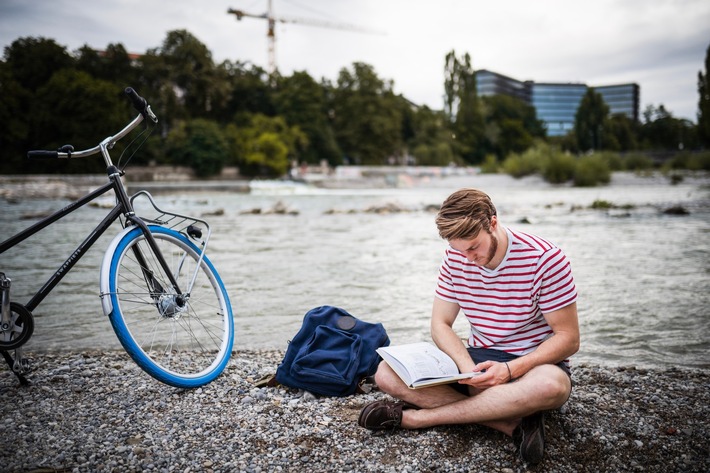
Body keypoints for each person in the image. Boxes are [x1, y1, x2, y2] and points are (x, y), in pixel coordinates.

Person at [358, 188, 580, 465]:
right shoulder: (456, 258)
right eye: (458, 249)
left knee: (551, 387)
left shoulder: (545, 259)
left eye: (474, 247)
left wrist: (510, 370)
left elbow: (568, 338)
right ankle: (513, 424)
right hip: (477, 360)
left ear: (493, 223)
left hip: (532, 364)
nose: (468, 258)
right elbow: (440, 324)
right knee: (386, 374)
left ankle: (417, 418)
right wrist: (467, 369)